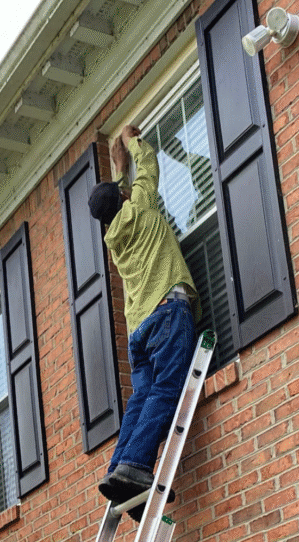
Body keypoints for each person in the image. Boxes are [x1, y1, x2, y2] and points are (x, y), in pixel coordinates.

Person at [89, 124, 200, 518]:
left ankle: (121, 472)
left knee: (141, 396)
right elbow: (149, 166)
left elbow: (118, 196)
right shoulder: (142, 208)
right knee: (167, 388)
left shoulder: (114, 236)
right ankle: (136, 465)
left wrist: (118, 171)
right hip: (168, 312)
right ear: (124, 197)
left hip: (139, 329)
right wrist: (133, 141)